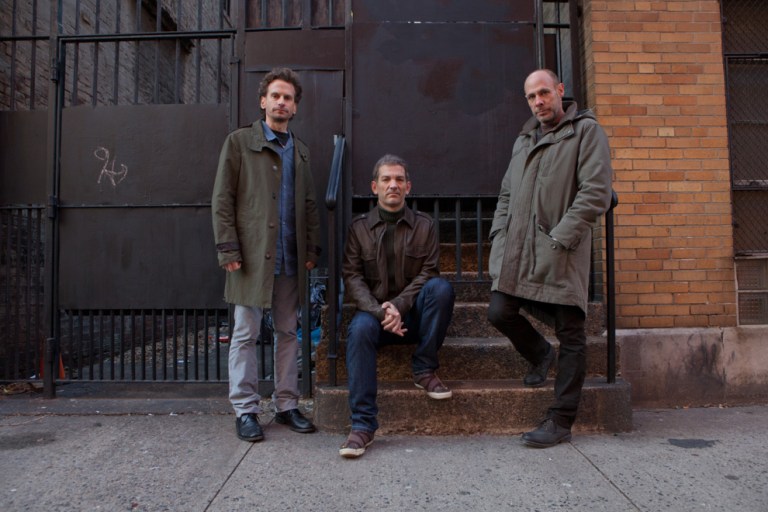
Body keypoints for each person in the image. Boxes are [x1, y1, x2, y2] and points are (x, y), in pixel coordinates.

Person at [487, 69, 613, 448]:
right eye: (531, 97)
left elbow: (596, 192)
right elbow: (507, 193)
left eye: (544, 93)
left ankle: (561, 419)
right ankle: (540, 354)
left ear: (560, 91)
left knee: (571, 334)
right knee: (499, 311)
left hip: (561, 252)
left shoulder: (586, 132)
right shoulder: (523, 140)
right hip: (519, 251)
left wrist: (561, 237)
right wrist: (499, 233)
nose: (538, 102)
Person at [212, 67, 321, 442]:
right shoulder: (240, 142)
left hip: (291, 257)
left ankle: (287, 404)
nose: (281, 102)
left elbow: (308, 204)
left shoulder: (301, 151)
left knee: (289, 331)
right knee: (245, 332)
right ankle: (245, 410)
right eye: (275, 95)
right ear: (263, 102)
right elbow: (222, 198)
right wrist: (227, 246)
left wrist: (311, 250)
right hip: (251, 256)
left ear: (295, 107)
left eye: (288, 97)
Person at [339, 154, 455, 458]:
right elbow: (352, 277)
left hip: (413, 318)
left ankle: (423, 368)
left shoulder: (425, 226)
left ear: (408, 187)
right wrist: (381, 311)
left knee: (441, 289)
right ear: (374, 187)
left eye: (399, 179)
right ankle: (363, 425)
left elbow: (429, 272)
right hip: (376, 319)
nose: (393, 185)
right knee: (359, 329)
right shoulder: (359, 228)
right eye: (387, 180)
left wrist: (398, 306)